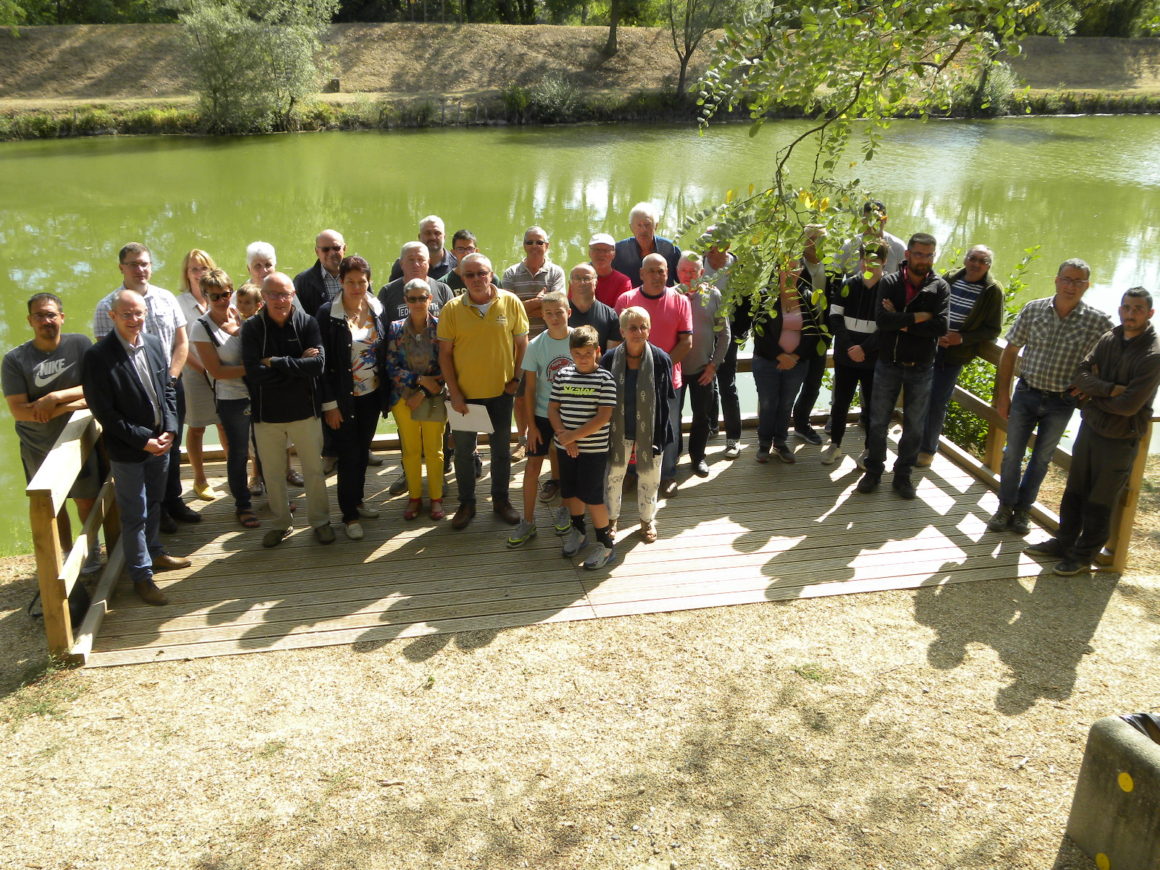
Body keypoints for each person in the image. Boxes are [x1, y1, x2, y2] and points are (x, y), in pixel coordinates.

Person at [1026, 288, 1160, 575]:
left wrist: (1093, 394)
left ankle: (1083, 555)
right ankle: (1064, 542)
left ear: (1150, 313)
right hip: (1091, 427)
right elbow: (1080, 374)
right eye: (1126, 307)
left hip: (1120, 437)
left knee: (1101, 498)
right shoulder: (1109, 337)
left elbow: (1129, 405)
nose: (1130, 313)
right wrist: (1109, 390)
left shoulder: (1153, 354)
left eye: (1137, 309)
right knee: (1074, 489)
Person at [989, 259, 1114, 534]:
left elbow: (1111, 359)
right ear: (1056, 280)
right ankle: (1004, 506)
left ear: (1087, 286)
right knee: (1012, 455)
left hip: (1062, 400)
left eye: (1078, 281)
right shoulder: (1034, 310)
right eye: (1066, 279)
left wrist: (1090, 384)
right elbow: (1009, 351)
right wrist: (1002, 395)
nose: (1071, 286)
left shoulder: (1098, 321)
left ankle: (1023, 511)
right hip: (1026, 393)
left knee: (1042, 459)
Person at [82, 290, 186, 606]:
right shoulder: (98, 356)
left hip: (161, 443)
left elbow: (168, 390)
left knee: (155, 501)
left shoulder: (154, 343)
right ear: (112, 316)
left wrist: (170, 428)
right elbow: (105, 412)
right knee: (134, 513)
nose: (134, 320)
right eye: (126, 314)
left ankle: (155, 552)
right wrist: (143, 439)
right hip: (129, 450)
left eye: (139, 313)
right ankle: (141, 577)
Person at [92, 242, 198, 532]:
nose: (140, 269)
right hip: (132, 395)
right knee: (145, 447)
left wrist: (171, 378)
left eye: (145, 263)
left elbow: (181, 342)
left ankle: (173, 500)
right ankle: (157, 510)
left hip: (169, 385)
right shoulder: (107, 306)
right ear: (121, 268)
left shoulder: (166, 299)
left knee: (171, 444)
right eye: (133, 264)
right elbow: (105, 358)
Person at [3, 293, 101, 572]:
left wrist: (52, 397)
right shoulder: (15, 359)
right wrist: (61, 406)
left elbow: (93, 388)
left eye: (51, 314)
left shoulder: (79, 344)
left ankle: (91, 550)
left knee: (86, 499)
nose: (46, 320)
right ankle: (68, 553)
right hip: (37, 444)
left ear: (61, 316)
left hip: (76, 437)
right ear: (30, 321)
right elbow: (19, 411)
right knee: (53, 506)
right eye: (39, 316)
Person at [438, 253, 530, 530]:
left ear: (491, 274)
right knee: (464, 452)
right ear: (462, 278)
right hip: (465, 396)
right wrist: (454, 393)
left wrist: (516, 378)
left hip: (501, 393)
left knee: (501, 450)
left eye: (482, 273)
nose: (477, 279)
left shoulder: (510, 302)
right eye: (470, 275)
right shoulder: (452, 309)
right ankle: (467, 503)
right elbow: (444, 355)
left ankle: (501, 500)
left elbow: (523, 344)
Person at [856, 232, 950, 498]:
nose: (924, 260)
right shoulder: (890, 282)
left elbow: (940, 326)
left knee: (915, 425)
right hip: (889, 363)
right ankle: (874, 471)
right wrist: (918, 317)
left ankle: (903, 475)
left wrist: (900, 318)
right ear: (907, 255)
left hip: (921, 367)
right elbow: (883, 322)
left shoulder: (939, 287)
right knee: (877, 421)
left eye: (929, 255)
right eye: (918, 254)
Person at [242, 272, 333, 548]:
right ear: (263, 297)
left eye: (285, 294)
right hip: (266, 415)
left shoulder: (308, 323)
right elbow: (253, 373)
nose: (280, 300)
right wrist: (296, 366)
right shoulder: (252, 328)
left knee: (314, 471)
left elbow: (317, 367)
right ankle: (281, 523)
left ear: (293, 295)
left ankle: (320, 522)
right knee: (271, 473)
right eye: (273, 294)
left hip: (305, 411)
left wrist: (275, 362)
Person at [316, 256, 389, 540]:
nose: (357, 287)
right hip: (342, 400)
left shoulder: (377, 308)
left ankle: (358, 501)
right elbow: (322, 366)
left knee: (362, 453)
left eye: (362, 281)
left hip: (370, 395)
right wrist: (330, 405)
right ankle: (348, 515)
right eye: (350, 282)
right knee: (347, 456)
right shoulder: (328, 314)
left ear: (369, 281)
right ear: (341, 282)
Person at [917, 245, 1005, 466]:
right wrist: (935, 331)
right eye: (973, 258)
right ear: (965, 260)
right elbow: (933, 307)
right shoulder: (950, 278)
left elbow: (993, 330)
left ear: (988, 266)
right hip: (929, 347)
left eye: (982, 261)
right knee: (918, 395)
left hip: (954, 356)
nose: (976, 264)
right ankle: (914, 441)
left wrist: (962, 338)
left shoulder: (992, 290)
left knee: (937, 401)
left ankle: (927, 450)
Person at [614, 253, 692, 497]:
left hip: (668, 379)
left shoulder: (680, 300)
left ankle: (668, 474)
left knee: (669, 427)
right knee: (632, 427)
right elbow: (618, 341)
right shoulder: (626, 300)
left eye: (661, 271)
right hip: (631, 378)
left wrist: (658, 366)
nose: (657, 276)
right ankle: (632, 472)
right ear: (641, 274)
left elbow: (686, 341)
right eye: (651, 271)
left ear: (668, 273)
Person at [738, 258, 825, 465]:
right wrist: (780, 355)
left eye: (796, 267)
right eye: (787, 267)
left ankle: (781, 442)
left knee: (786, 404)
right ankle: (764, 444)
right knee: (768, 404)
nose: (791, 271)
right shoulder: (766, 297)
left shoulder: (808, 297)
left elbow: (812, 335)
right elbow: (759, 335)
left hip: (797, 364)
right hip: (767, 361)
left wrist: (794, 356)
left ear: (802, 270)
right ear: (778, 269)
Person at [190, 269, 258, 529]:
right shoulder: (201, 327)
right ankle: (242, 504)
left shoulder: (240, 315)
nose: (222, 300)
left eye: (226, 294)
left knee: (263, 446)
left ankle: (275, 498)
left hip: (255, 393)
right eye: (215, 296)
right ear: (205, 296)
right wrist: (255, 367)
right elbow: (216, 371)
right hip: (231, 398)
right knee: (238, 452)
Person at [602, 307, 676, 544]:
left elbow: (666, 401)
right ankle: (611, 520)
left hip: (651, 431)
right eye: (632, 327)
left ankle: (646, 521)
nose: (638, 332)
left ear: (649, 329)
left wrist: (661, 436)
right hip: (618, 430)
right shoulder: (610, 358)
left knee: (650, 478)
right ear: (622, 331)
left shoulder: (661, 359)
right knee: (614, 477)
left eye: (643, 326)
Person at [508, 291, 574, 548]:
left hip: (572, 415)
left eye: (559, 312)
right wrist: (531, 428)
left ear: (568, 312)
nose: (554, 317)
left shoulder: (579, 339)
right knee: (532, 467)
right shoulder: (536, 345)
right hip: (542, 415)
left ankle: (565, 510)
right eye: (548, 313)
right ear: (541, 316)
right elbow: (530, 390)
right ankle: (527, 520)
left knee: (569, 466)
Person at [550, 326, 618, 569]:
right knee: (572, 494)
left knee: (592, 498)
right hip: (566, 447)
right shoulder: (563, 375)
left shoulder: (605, 379)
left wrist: (573, 437)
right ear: (571, 353)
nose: (583, 358)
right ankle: (579, 532)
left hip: (592, 451)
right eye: (578, 354)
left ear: (597, 351)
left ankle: (606, 545)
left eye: (588, 353)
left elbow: (602, 418)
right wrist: (563, 436)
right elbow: (553, 409)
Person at [242, 241, 307, 489]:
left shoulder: (286, 290)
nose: (263, 270)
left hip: (285, 369)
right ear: (249, 268)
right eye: (257, 265)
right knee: (257, 429)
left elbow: (301, 326)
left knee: (286, 428)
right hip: (257, 374)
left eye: (268, 264)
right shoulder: (245, 294)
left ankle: (289, 470)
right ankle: (256, 474)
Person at [385, 278, 446, 520]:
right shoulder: (395, 328)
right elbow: (390, 366)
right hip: (403, 399)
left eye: (423, 298)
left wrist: (423, 392)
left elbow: (446, 368)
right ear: (405, 301)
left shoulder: (442, 328)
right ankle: (414, 498)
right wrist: (418, 383)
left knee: (434, 451)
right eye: (413, 298)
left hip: (432, 398)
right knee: (410, 451)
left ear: (430, 299)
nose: (418, 302)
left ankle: (436, 498)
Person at [503, 226, 566, 460]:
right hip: (519, 344)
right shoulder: (511, 273)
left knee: (550, 391)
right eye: (530, 242)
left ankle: (551, 437)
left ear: (547, 246)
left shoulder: (556, 273)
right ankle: (522, 439)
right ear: (523, 245)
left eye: (539, 242)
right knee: (520, 395)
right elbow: (508, 310)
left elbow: (556, 308)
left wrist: (527, 306)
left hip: (550, 342)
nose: (534, 246)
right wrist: (537, 303)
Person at [824, 243, 885, 465]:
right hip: (846, 356)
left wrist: (864, 349)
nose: (868, 264)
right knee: (840, 403)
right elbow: (835, 317)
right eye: (865, 260)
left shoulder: (890, 288)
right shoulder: (848, 285)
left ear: (884, 262)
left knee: (871, 406)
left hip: (873, 359)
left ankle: (869, 450)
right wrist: (851, 347)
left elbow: (888, 326)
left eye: (874, 261)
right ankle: (835, 445)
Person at [175, 248, 226, 501]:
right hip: (194, 372)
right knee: (196, 427)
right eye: (193, 269)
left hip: (223, 371)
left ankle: (233, 475)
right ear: (187, 273)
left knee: (224, 423)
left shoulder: (221, 295)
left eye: (203, 268)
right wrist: (204, 368)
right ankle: (200, 479)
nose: (198, 273)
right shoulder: (179, 302)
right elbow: (180, 343)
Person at [675, 253, 730, 477]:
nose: (689, 275)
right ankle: (673, 455)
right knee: (672, 416)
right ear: (677, 272)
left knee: (702, 417)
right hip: (674, 371)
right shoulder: (670, 295)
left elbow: (725, 335)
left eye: (693, 271)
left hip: (702, 370)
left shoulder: (713, 294)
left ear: (701, 273)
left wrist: (713, 365)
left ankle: (698, 457)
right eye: (684, 270)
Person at [790, 226, 841, 446]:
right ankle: (776, 431)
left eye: (823, 240)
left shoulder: (832, 268)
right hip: (795, 336)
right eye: (816, 240)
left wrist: (830, 331)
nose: (820, 245)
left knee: (813, 384)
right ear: (805, 242)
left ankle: (802, 424)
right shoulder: (793, 266)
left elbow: (838, 301)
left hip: (821, 336)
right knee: (789, 384)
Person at [702, 232, 743, 459]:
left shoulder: (737, 265)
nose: (711, 250)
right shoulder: (698, 263)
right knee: (705, 382)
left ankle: (733, 439)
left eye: (716, 245)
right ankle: (711, 426)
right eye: (708, 245)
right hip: (703, 333)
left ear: (727, 245)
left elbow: (747, 300)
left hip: (728, 333)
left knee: (727, 384)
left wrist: (739, 331)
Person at [377, 241, 455, 322]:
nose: (416, 264)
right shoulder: (387, 292)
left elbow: (453, 324)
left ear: (428, 263)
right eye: (411, 260)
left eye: (421, 259)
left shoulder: (443, 290)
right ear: (401, 263)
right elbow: (380, 328)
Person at [612, 202, 681, 287]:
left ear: (656, 226)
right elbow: (599, 272)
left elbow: (685, 278)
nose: (643, 230)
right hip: (630, 299)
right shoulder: (619, 251)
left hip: (664, 299)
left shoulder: (671, 249)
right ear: (631, 228)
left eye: (647, 225)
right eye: (639, 225)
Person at [837, 200, 907, 275]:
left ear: (885, 220)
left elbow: (906, 279)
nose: (872, 225)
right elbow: (834, 273)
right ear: (862, 220)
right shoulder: (848, 245)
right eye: (868, 220)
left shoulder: (899, 247)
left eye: (877, 220)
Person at [567, 262, 622, 353]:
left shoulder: (610, 315)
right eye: (577, 278)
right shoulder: (559, 313)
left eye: (587, 278)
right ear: (570, 283)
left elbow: (610, 357)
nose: (582, 282)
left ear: (595, 283)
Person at [293, 229, 346, 317]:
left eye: (336, 248)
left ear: (344, 249)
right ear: (317, 252)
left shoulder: (358, 276)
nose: (332, 253)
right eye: (326, 249)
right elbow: (298, 318)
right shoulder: (302, 281)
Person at [389, 215, 456, 282]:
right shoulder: (403, 263)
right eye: (428, 233)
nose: (432, 237)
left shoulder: (457, 265)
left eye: (437, 233)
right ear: (419, 237)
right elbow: (392, 290)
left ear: (444, 237)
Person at [589, 232, 632, 308]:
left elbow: (619, 314)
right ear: (589, 253)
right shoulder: (579, 276)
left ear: (613, 254)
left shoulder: (623, 281)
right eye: (596, 250)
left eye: (606, 250)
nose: (601, 254)